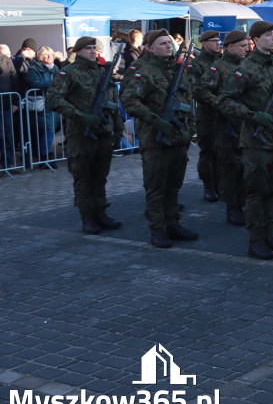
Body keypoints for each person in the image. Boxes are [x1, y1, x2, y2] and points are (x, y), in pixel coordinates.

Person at [218, 21, 273, 260]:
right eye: (267, 35)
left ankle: (269, 233)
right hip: (255, 140)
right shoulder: (246, 68)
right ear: (255, 39)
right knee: (255, 191)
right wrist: (253, 116)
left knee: (271, 190)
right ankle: (256, 240)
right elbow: (224, 100)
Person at [121, 29, 199, 248]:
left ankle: (173, 223)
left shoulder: (177, 69)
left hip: (178, 138)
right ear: (150, 47)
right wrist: (156, 120)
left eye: (170, 43)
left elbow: (187, 99)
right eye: (163, 43)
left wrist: (188, 129)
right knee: (156, 188)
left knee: (174, 186)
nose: (169, 46)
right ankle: (157, 229)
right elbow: (129, 101)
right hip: (156, 139)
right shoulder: (141, 70)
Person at [46, 37, 123, 234]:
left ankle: (101, 213)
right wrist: (81, 117)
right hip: (81, 135)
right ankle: (87, 217)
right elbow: (53, 100)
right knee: (84, 178)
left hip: (103, 132)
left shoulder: (102, 72)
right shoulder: (69, 73)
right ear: (78, 51)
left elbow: (112, 102)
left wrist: (117, 127)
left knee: (100, 177)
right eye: (88, 48)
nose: (92, 51)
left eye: (94, 48)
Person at [208, 30, 248, 225]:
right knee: (231, 169)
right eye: (242, 46)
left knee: (244, 167)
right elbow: (201, 90)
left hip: (244, 124)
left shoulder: (246, 66)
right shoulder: (218, 68)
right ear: (230, 47)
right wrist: (223, 106)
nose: (246, 49)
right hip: (226, 126)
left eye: (247, 46)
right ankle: (232, 207)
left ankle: (243, 203)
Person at [189, 30, 223, 201]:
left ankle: (220, 184)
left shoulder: (222, 61)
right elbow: (197, 91)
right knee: (208, 152)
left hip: (225, 115)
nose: (218, 43)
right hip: (207, 115)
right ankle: (208, 186)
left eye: (219, 40)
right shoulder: (198, 64)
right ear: (203, 43)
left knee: (222, 152)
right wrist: (220, 102)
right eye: (214, 41)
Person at [24, 46, 60, 163]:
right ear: (39, 56)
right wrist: (52, 83)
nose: (49, 56)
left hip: (53, 102)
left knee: (50, 129)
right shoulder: (34, 69)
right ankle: (45, 157)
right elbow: (34, 83)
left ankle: (43, 155)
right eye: (45, 54)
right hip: (41, 104)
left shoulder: (55, 68)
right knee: (48, 129)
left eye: (50, 54)